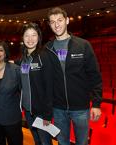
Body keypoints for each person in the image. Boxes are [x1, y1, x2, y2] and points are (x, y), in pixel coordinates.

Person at [45, 7, 102, 145]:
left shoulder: (83, 45)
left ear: (67, 21)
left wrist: (96, 103)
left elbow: (94, 76)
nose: (56, 24)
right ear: (49, 25)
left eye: (59, 20)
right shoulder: (47, 49)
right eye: (52, 22)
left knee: (82, 142)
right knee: (62, 142)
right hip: (58, 108)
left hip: (81, 107)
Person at [19, 22, 53, 145]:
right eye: (27, 35)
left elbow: (49, 86)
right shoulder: (23, 59)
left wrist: (47, 115)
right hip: (28, 111)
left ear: (39, 37)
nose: (30, 39)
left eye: (34, 35)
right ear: (22, 38)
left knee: (45, 142)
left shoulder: (43, 56)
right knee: (37, 141)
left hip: (41, 112)